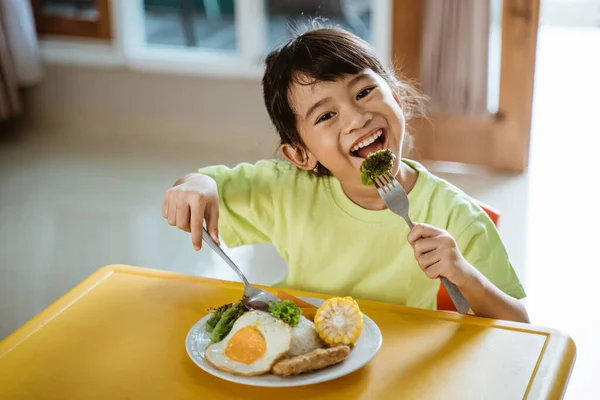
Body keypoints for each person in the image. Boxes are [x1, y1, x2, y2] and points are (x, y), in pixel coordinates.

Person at [162, 24, 529, 323]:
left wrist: (465, 274)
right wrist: (194, 185)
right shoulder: (287, 188)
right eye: (325, 115)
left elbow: (520, 326)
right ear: (300, 155)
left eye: (365, 91)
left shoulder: (456, 216)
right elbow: (204, 186)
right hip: (303, 348)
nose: (356, 118)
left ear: (397, 99)